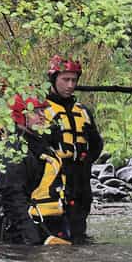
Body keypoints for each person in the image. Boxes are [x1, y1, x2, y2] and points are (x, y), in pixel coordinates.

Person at [0, 96, 70, 245]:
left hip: (51, 224)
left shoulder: (40, 143)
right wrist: (32, 238)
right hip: (29, 230)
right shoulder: (13, 150)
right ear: (19, 116)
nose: (42, 116)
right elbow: (12, 199)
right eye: (35, 112)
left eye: (42, 111)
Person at [42, 56, 103, 242]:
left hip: (80, 178)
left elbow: (96, 146)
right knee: (59, 232)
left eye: (74, 80)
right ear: (53, 79)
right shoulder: (41, 110)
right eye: (65, 79)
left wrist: (89, 155)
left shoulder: (83, 111)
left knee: (79, 231)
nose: (70, 85)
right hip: (55, 178)